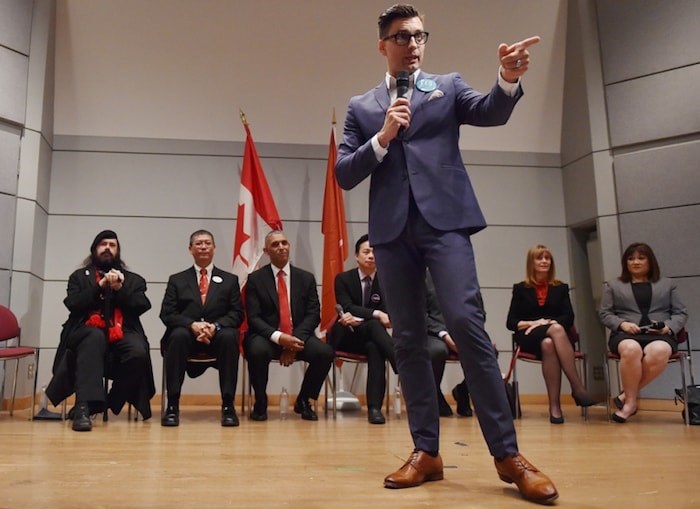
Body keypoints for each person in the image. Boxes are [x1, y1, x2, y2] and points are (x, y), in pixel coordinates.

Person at [335, 4, 557, 503]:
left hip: (446, 226)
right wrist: (383, 137)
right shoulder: (362, 105)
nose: (413, 44)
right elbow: (345, 172)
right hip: (392, 234)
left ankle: (508, 456)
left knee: (466, 325)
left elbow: (490, 112)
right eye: (402, 36)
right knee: (409, 341)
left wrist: (506, 77)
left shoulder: (449, 86)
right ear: (382, 45)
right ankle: (426, 453)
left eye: (419, 35)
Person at [45, 230, 155, 431]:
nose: (107, 248)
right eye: (103, 244)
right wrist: (100, 286)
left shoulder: (133, 279)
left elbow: (142, 305)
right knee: (94, 337)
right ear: (94, 249)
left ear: (118, 251)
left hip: (124, 331)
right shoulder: (79, 277)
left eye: (112, 245)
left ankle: (109, 401)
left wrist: (120, 289)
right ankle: (83, 408)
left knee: (138, 351)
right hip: (83, 330)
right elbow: (74, 304)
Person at [244, 230, 334, 421]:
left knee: (324, 352)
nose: (281, 247)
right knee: (256, 350)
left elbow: (313, 314)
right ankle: (260, 401)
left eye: (284, 243)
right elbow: (254, 318)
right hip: (267, 336)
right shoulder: (255, 279)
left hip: (298, 335)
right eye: (275, 244)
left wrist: (294, 341)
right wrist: (280, 338)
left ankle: (304, 400)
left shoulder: (306, 278)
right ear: (266, 250)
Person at [160, 230, 244, 427]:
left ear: (214, 248)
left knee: (230, 337)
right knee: (177, 335)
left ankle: (228, 406)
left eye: (208, 243)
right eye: (199, 243)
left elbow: (237, 313)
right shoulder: (177, 280)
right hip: (187, 335)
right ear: (190, 249)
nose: (204, 247)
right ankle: (172, 405)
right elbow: (167, 313)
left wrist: (215, 326)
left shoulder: (230, 280)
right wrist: (192, 325)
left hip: (218, 334)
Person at [598, 242, 688, 423]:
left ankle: (626, 397)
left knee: (660, 351)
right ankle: (631, 402)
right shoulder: (614, 285)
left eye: (641, 258)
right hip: (626, 334)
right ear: (626, 263)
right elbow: (605, 313)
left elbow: (681, 312)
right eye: (631, 259)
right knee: (631, 349)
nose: (636, 262)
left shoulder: (667, 284)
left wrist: (668, 327)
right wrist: (622, 324)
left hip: (659, 334)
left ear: (650, 260)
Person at [506, 245, 596, 424]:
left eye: (547, 258)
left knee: (549, 343)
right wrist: (535, 323)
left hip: (555, 335)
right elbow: (511, 322)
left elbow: (568, 317)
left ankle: (554, 407)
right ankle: (577, 388)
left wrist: (547, 323)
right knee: (555, 331)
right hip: (529, 335)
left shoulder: (560, 288)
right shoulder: (520, 288)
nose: (544, 261)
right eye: (540, 258)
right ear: (531, 262)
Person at [331, 234, 398, 424]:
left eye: (375, 252)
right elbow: (347, 306)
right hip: (346, 335)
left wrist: (373, 317)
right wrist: (376, 314)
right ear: (356, 256)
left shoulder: (386, 282)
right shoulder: (343, 279)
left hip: (372, 338)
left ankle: (374, 409)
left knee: (375, 348)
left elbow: (390, 313)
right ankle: (399, 361)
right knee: (375, 324)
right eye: (366, 251)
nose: (371, 256)